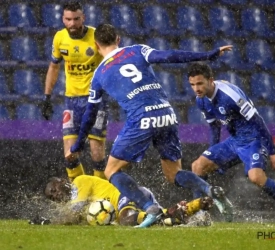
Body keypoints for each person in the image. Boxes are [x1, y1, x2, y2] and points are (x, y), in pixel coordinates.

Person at [65, 23, 233, 228]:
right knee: (174, 174)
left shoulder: (99, 75)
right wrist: (208, 54)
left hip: (141, 116)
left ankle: (148, 206)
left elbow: (90, 114)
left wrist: (78, 145)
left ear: (95, 44)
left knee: (112, 171)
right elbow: (170, 56)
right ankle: (210, 190)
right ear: (118, 39)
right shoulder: (137, 50)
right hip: (167, 113)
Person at [187, 62, 275, 227]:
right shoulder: (201, 100)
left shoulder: (229, 96)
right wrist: (213, 152)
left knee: (256, 177)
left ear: (210, 80)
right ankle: (201, 216)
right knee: (198, 166)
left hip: (253, 140)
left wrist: (272, 152)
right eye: (192, 85)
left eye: (199, 83)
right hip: (234, 141)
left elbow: (259, 122)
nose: (196, 88)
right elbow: (214, 127)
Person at [41, 1, 108, 181]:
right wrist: (47, 97)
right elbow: (54, 67)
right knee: (69, 155)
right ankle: (79, 192)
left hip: (96, 99)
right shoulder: (59, 38)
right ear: (63, 19)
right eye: (68, 19)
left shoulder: (96, 36)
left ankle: (101, 193)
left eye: (76, 19)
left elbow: (111, 62)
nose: (72, 24)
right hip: (71, 101)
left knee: (96, 153)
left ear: (83, 18)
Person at [39, 175, 214, 226]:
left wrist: (49, 222)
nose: (54, 195)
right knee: (162, 223)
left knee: (127, 219)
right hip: (136, 201)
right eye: (51, 197)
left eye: (53, 190)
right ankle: (195, 210)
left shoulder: (79, 182)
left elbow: (74, 211)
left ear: (63, 181)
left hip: (127, 195)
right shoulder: (73, 202)